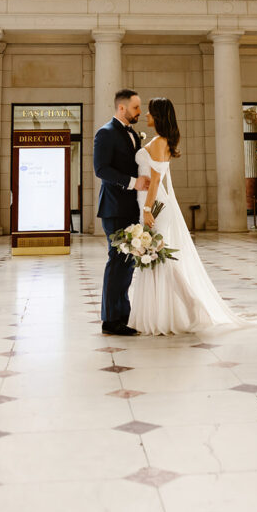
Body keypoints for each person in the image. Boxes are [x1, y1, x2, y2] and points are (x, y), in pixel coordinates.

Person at [130, 97, 245, 335]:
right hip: (148, 203)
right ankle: (160, 313)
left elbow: (156, 180)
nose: (146, 116)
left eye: (150, 113)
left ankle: (193, 305)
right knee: (153, 258)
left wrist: (148, 209)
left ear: (159, 116)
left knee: (158, 256)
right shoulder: (157, 141)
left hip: (156, 206)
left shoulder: (160, 142)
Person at [94, 89, 150, 335]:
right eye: (136, 107)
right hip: (114, 208)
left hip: (130, 208)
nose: (139, 111)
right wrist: (132, 182)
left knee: (127, 262)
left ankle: (122, 315)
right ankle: (110, 321)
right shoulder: (105, 133)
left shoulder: (133, 134)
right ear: (122, 108)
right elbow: (101, 169)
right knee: (117, 262)